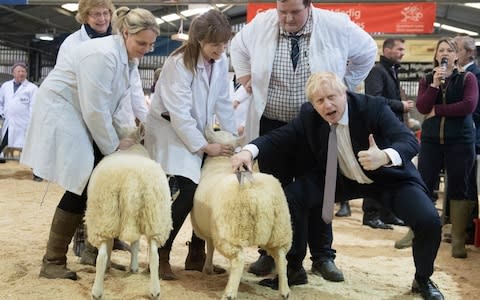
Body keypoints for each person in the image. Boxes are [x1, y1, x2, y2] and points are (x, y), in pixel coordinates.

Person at [232, 71, 444, 300]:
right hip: (339, 179)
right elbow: (279, 137)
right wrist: (248, 151)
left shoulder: (373, 107)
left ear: (344, 93)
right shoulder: (309, 116)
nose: (327, 105)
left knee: (429, 220)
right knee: (291, 197)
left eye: (332, 96)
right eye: (320, 101)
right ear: (313, 104)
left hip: (388, 179)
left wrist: (384, 156)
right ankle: (293, 269)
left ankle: (422, 279)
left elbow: (409, 140)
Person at [230, 0, 377, 280]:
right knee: (274, 191)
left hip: (318, 125)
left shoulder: (336, 25)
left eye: (294, 12)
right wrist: (244, 74)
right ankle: (270, 254)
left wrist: (341, 87)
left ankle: (322, 256)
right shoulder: (262, 23)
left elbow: (368, 50)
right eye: (282, 12)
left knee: (320, 189)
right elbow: (238, 45)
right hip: (273, 122)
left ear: (309, 6)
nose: (287, 18)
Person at [20, 7, 159, 280]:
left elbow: (118, 102)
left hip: (81, 111)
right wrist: (114, 148)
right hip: (63, 109)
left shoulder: (126, 58)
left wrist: (134, 131)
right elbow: (95, 110)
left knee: (95, 178)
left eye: (151, 44)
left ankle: (93, 252)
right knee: (83, 178)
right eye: (141, 43)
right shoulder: (103, 55)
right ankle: (53, 260)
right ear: (125, 33)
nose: (146, 49)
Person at [145, 9, 238, 280]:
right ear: (198, 40)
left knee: (204, 189)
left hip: (196, 129)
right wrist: (204, 146)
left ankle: (196, 255)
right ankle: (161, 253)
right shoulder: (178, 63)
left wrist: (230, 137)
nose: (220, 49)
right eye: (214, 44)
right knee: (189, 188)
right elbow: (179, 114)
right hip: (168, 130)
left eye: (224, 43)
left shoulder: (220, 61)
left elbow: (223, 99)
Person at [416, 37, 479, 259]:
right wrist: (434, 85)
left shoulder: (467, 78)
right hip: (432, 141)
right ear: (436, 55)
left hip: (460, 141)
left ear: (455, 56)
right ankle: (418, 231)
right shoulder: (426, 79)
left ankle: (458, 239)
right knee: (423, 185)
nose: (444, 53)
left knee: (459, 187)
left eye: (449, 50)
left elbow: (468, 106)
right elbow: (423, 107)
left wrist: (439, 111)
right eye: (440, 50)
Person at [57, 0, 148, 124]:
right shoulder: (72, 44)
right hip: (83, 117)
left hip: (121, 118)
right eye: (96, 14)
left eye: (106, 13)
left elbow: (134, 87)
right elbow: (63, 83)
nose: (102, 19)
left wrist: (147, 121)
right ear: (85, 16)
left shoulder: (122, 42)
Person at [355, 38, 410, 229]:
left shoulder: (391, 70)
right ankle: (371, 214)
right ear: (386, 50)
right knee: (376, 172)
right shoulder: (377, 70)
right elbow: (375, 99)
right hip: (378, 129)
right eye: (399, 49)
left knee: (389, 172)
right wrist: (400, 105)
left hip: (390, 129)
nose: (402, 52)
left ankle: (387, 213)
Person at [453, 34, 480, 246]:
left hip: (472, 136)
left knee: (470, 185)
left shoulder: (475, 75)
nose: (452, 53)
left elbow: (474, 109)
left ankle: (469, 232)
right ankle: (459, 229)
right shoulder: (456, 73)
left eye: (457, 49)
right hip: (458, 137)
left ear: (469, 53)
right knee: (461, 183)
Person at [0, 62, 38, 165]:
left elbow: (33, 106)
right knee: (4, 145)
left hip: (25, 123)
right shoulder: (5, 86)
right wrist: (2, 113)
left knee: (28, 147)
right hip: (9, 122)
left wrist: (31, 121)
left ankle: (35, 171)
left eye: (23, 71)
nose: (21, 73)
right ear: (13, 73)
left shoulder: (32, 88)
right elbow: (1, 102)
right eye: (18, 71)